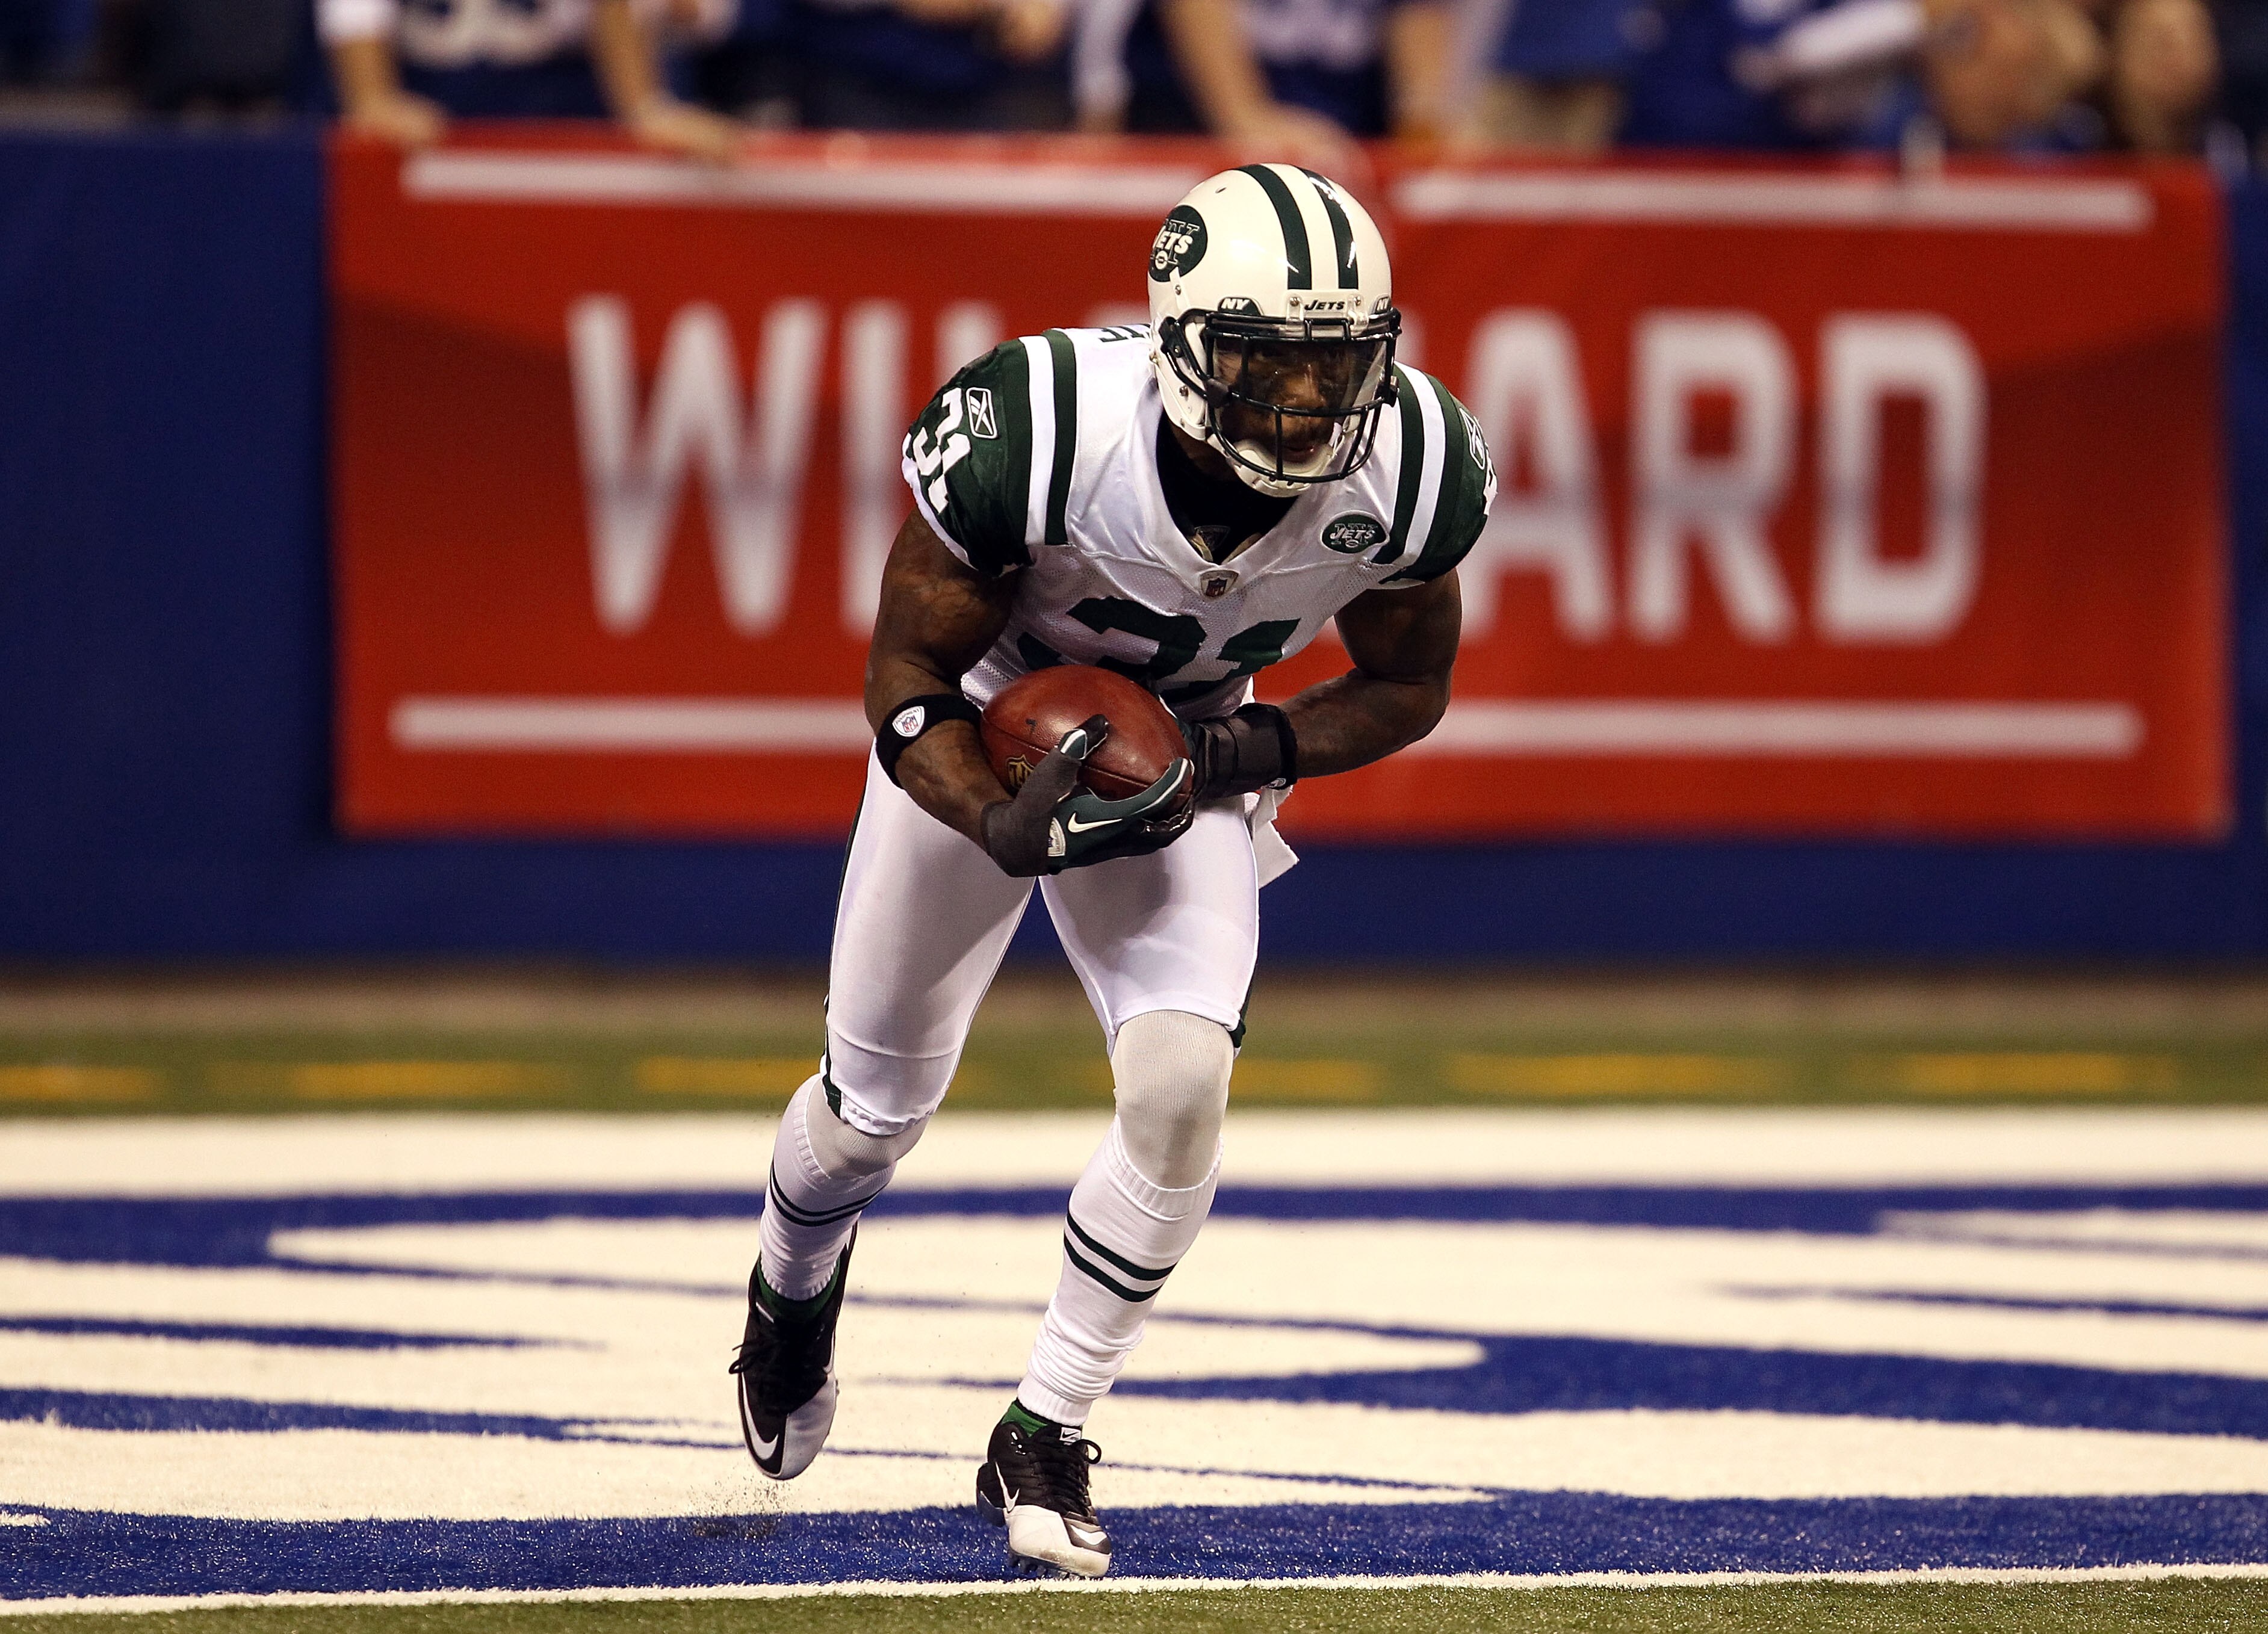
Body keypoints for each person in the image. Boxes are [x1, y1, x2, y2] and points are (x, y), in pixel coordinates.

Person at [728, 165, 1495, 1578]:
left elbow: (1410, 681)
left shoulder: (1416, 466)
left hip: (1187, 747)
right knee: (868, 1110)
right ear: (1181, 339)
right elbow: (906, 675)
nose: (1309, 409)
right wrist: (990, 809)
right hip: (1002, 723)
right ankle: (790, 1285)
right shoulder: (1045, 425)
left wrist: (1239, 745)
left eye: (1337, 370)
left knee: (1179, 1083)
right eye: (1269, 367)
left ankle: (1049, 1418)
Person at [320, 0, 746, 158]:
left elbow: (611, 11)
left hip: (554, 109)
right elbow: (356, 12)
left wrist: (647, 109)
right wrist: (371, 98)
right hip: (437, 109)